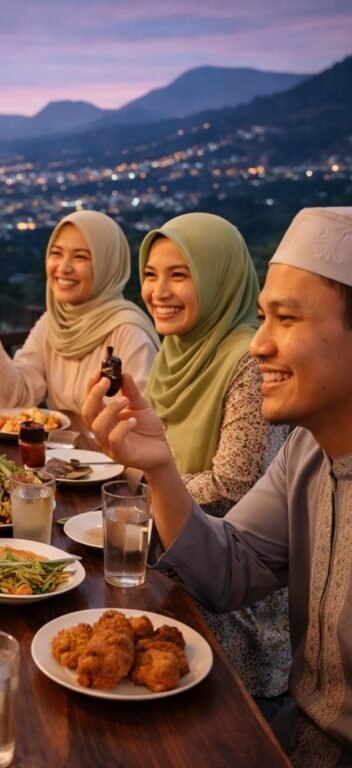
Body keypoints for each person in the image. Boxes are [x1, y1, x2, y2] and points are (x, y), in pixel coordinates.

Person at [83, 207, 352, 765]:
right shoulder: (306, 450)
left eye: (288, 319)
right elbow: (229, 570)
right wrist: (158, 469)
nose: (258, 345)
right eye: (262, 317)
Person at [138, 212, 290, 697]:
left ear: (219, 280)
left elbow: (231, 488)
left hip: (233, 595)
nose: (159, 291)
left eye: (179, 275)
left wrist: (141, 499)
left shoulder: (249, 360)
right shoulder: (174, 352)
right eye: (150, 274)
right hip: (169, 556)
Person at [0, 210, 159, 413]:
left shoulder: (130, 333)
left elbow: (142, 426)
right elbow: (14, 400)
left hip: (110, 452)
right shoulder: (54, 323)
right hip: (59, 451)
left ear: (108, 266)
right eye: (56, 253)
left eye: (80, 257)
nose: (63, 267)